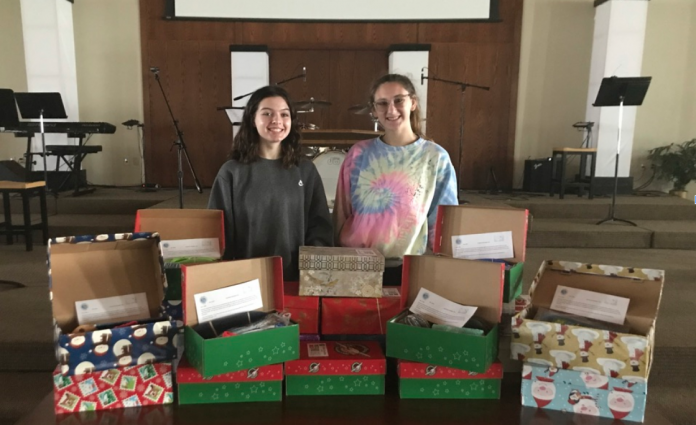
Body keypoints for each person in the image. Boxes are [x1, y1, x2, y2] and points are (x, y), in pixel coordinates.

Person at [333, 74, 458, 285]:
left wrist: (442, 271)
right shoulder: (358, 154)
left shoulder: (435, 158)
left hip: (408, 268)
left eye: (398, 100)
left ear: (413, 103)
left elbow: (443, 220)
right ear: (373, 110)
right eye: (382, 103)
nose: (391, 110)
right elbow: (341, 212)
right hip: (356, 263)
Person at [208, 85, 333, 281]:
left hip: (296, 279)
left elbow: (320, 227)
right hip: (245, 281)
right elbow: (218, 233)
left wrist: (312, 273)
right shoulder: (231, 173)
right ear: (252, 119)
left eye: (284, 114)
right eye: (267, 113)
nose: (277, 121)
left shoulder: (306, 170)